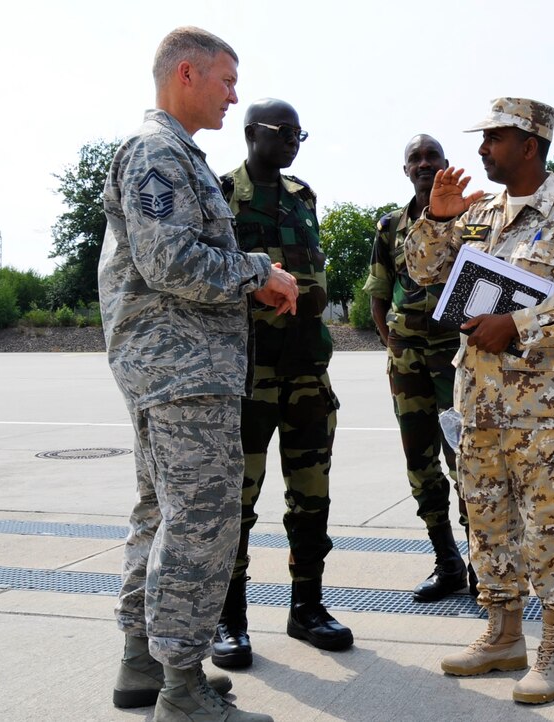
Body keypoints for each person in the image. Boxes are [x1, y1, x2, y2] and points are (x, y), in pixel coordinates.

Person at [100, 27, 297, 722]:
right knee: (202, 525)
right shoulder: (159, 153)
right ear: (187, 74)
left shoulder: (173, 155)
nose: (234, 96)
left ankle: (143, 665)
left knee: (160, 515)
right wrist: (257, 270)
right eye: (226, 81)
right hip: (183, 370)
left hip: (173, 370)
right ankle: (181, 690)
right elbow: (172, 263)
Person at [405, 98, 554, 705]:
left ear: (530, 146)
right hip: (478, 407)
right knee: (487, 517)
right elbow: (422, 273)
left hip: (542, 416)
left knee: (551, 525)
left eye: (494, 138)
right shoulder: (478, 215)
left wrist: (518, 324)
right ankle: (502, 634)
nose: (481, 149)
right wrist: (438, 217)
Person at [210, 98, 352, 670]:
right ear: (251, 134)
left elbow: (315, 274)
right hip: (248, 376)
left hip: (307, 373)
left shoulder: (304, 197)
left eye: (300, 133)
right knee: (236, 504)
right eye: (283, 131)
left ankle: (307, 608)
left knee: (311, 498)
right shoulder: (220, 194)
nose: (294, 141)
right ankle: (230, 618)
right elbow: (215, 277)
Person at [363, 134, 477, 602]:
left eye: (433, 157)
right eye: (416, 159)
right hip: (407, 360)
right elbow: (377, 294)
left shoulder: (472, 218)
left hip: (455, 357)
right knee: (420, 464)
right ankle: (446, 561)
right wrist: (397, 347)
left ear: (447, 165)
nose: (425, 164)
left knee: (467, 462)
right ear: (405, 170)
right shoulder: (391, 226)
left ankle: (481, 567)